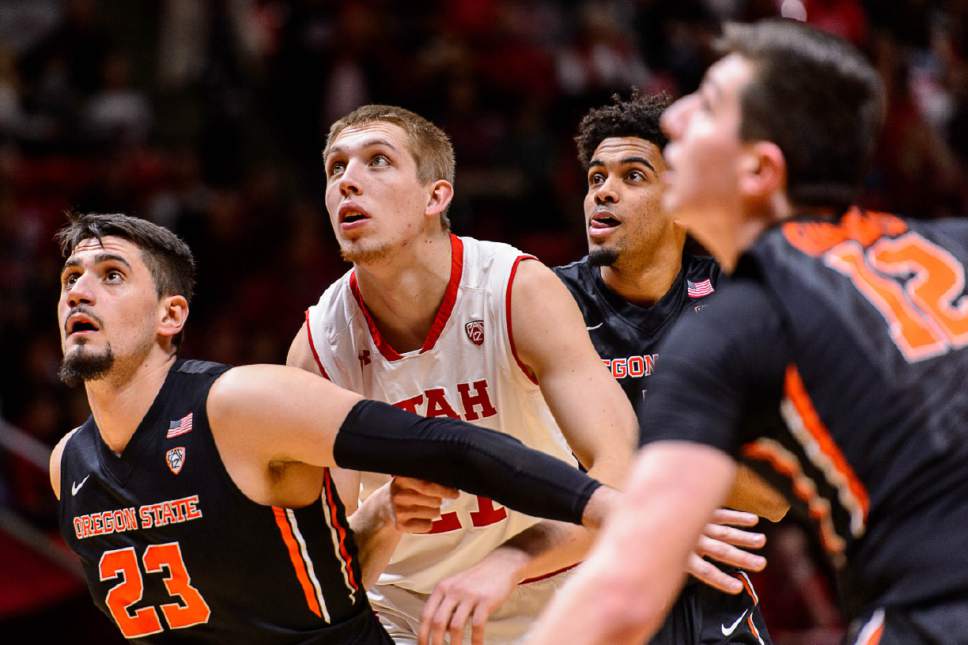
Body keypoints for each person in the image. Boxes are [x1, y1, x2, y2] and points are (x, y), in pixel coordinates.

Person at [530, 18, 968, 645]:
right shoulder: (955, 244)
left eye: (706, 107)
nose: (675, 116)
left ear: (760, 170)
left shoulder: (739, 323)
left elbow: (622, 594)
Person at [49, 212, 615, 643]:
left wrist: (609, 508)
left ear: (170, 316)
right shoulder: (68, 463)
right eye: (71, 276)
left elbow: (446, 445)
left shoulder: (243, 403)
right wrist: (384, 513)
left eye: (112, 275)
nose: (79, 289)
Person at [286, 103, 638, 645]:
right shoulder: (318, 350)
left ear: (436, 197)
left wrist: (508, 561)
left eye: (377, 161)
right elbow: (316, 569)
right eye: (336, 169)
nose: (349, 182)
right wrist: (380, 513)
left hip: (548, 581)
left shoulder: (513, 290)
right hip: (406, 612)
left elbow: (618, 472)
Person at [552, 91, 786, 644]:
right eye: (594, 178)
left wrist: (625, 474)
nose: (603, 192)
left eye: (633, 176)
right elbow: (533, 475)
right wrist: (684, 495)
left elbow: (772, 496)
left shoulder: (735, 300)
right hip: (590, 593)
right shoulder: (547, 303)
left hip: (715, 606)